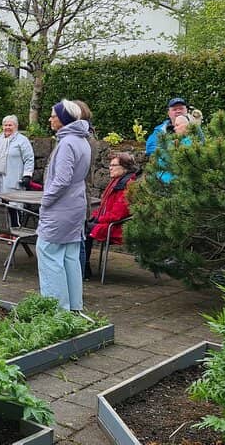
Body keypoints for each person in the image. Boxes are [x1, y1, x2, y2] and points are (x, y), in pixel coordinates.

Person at [37, 99, 92, 311]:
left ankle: (56, 309)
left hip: (61, 208)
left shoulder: (68, 142)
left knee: (48, 253)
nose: (50, 119)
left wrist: (46, 200)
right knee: (70, 257)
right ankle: (74, 307)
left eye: (54, 115)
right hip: (75, 205)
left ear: (64, 119)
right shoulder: (82, 140)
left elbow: (61, 179)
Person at [82, 152, 139, 280]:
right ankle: (82, 266)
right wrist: (94, 216)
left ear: (125, 168)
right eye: (110, 165)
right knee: (83, 226)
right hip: (109, 222)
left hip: (117, 227)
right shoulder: (117, 181)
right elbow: (104, 207)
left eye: (114, 165)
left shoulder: (128, 186)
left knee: (84, 229)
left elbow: (118, 214)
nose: (110, 168)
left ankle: (84, 268)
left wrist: (98, 219)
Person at [0, 115, 34, 200]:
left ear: (16, 126)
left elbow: (29, 159)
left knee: (14, 203)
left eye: (10, 125)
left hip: (13, 179)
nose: (7, 127)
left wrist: (27, 175)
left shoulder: (22, 140)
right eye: (5, 125)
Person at [156, 112, 201, 183]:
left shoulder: (190, 143)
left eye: (177, 125)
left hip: (173, 182)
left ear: (187, 126)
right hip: (168, 181)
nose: (174, 128)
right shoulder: (173, 143)